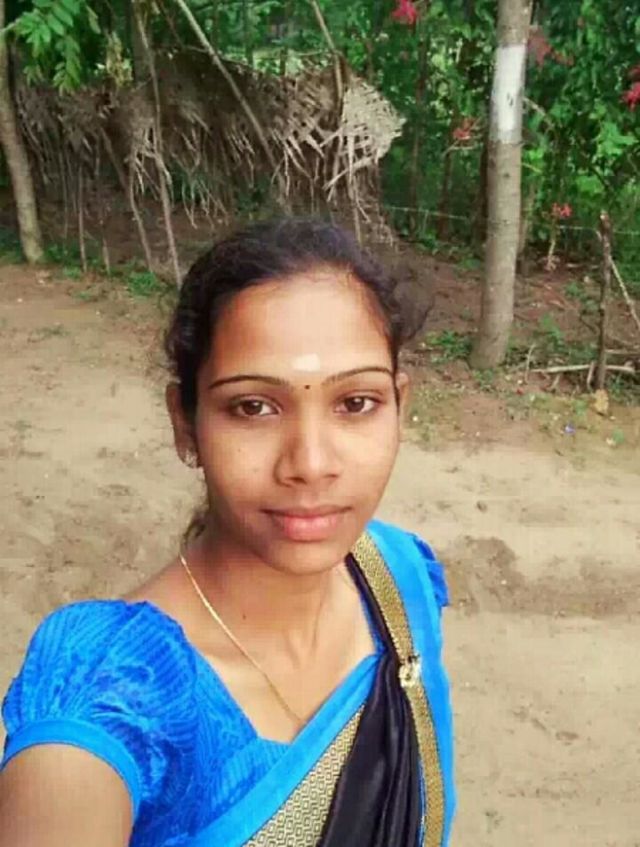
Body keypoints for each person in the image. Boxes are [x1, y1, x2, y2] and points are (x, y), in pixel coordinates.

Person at [0, 219, 455, 846]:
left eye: (356, 403)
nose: (310, 463)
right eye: (253, 407)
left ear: (401, 405)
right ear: (185, 423)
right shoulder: (119, 691)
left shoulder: (398, 580)